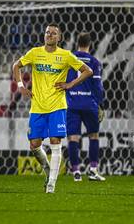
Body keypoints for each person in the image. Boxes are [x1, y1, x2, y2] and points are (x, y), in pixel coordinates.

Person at [12, 23, 93, 193]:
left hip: (57, 106)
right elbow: (16, 66)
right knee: (34, 145)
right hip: (38, 106)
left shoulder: (65, 55)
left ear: (59, 38)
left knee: (56, 143)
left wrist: (70, 84)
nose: (49, 35)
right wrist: (20, 85)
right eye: (47, 32)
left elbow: (87, 71)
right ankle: (49, 171)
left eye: (53, 33)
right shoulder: (35, 53)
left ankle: (51, 185)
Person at [66, 32, 105, 182]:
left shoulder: (69, 59)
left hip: (72, 104)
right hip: (90, 104)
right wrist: (101, 104)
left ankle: (76, 173)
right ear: (90, 44)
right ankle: (93, 171)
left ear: (77, 44)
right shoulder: (94, 62)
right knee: (93, 136)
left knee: (73, 138)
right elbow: (98, 86)